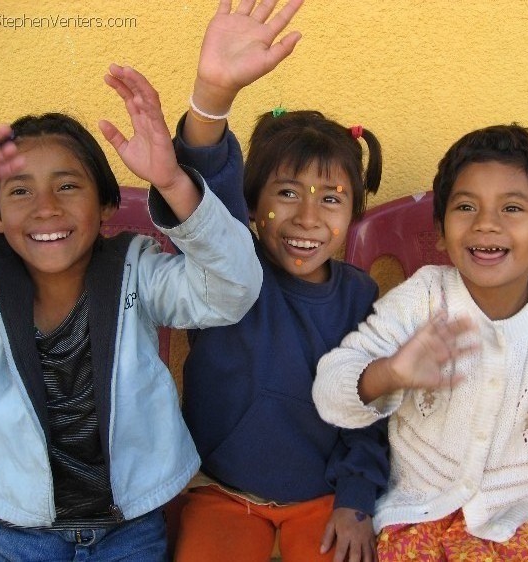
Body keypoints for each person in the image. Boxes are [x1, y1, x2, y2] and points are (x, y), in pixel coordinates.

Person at [0, 64, 262, 561]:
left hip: (130, 529)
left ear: (105, 205)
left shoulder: (136, 269)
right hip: (20, 532)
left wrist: (172, 181)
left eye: (67, 186)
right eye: (19, 190)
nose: (45, 207)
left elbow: (233, 289)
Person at [312, 123, 528, 561]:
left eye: (512, 209)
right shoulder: (422, 299)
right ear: (442, 232)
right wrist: (388, 373)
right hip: (418, 512)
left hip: (526, 517)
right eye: (466, 206)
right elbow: (330, 388)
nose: (486, 224)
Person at [168, 2, 389, 561]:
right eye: (287, 192)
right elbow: (204, 188)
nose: (308, 219)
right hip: (219, 492)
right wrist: (211, 97)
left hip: (323, 498)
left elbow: (368, 408)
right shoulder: (230, 269)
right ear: (249, 204)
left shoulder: (360, 296)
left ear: (354, 215)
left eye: (331, 199)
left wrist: (357, 500)